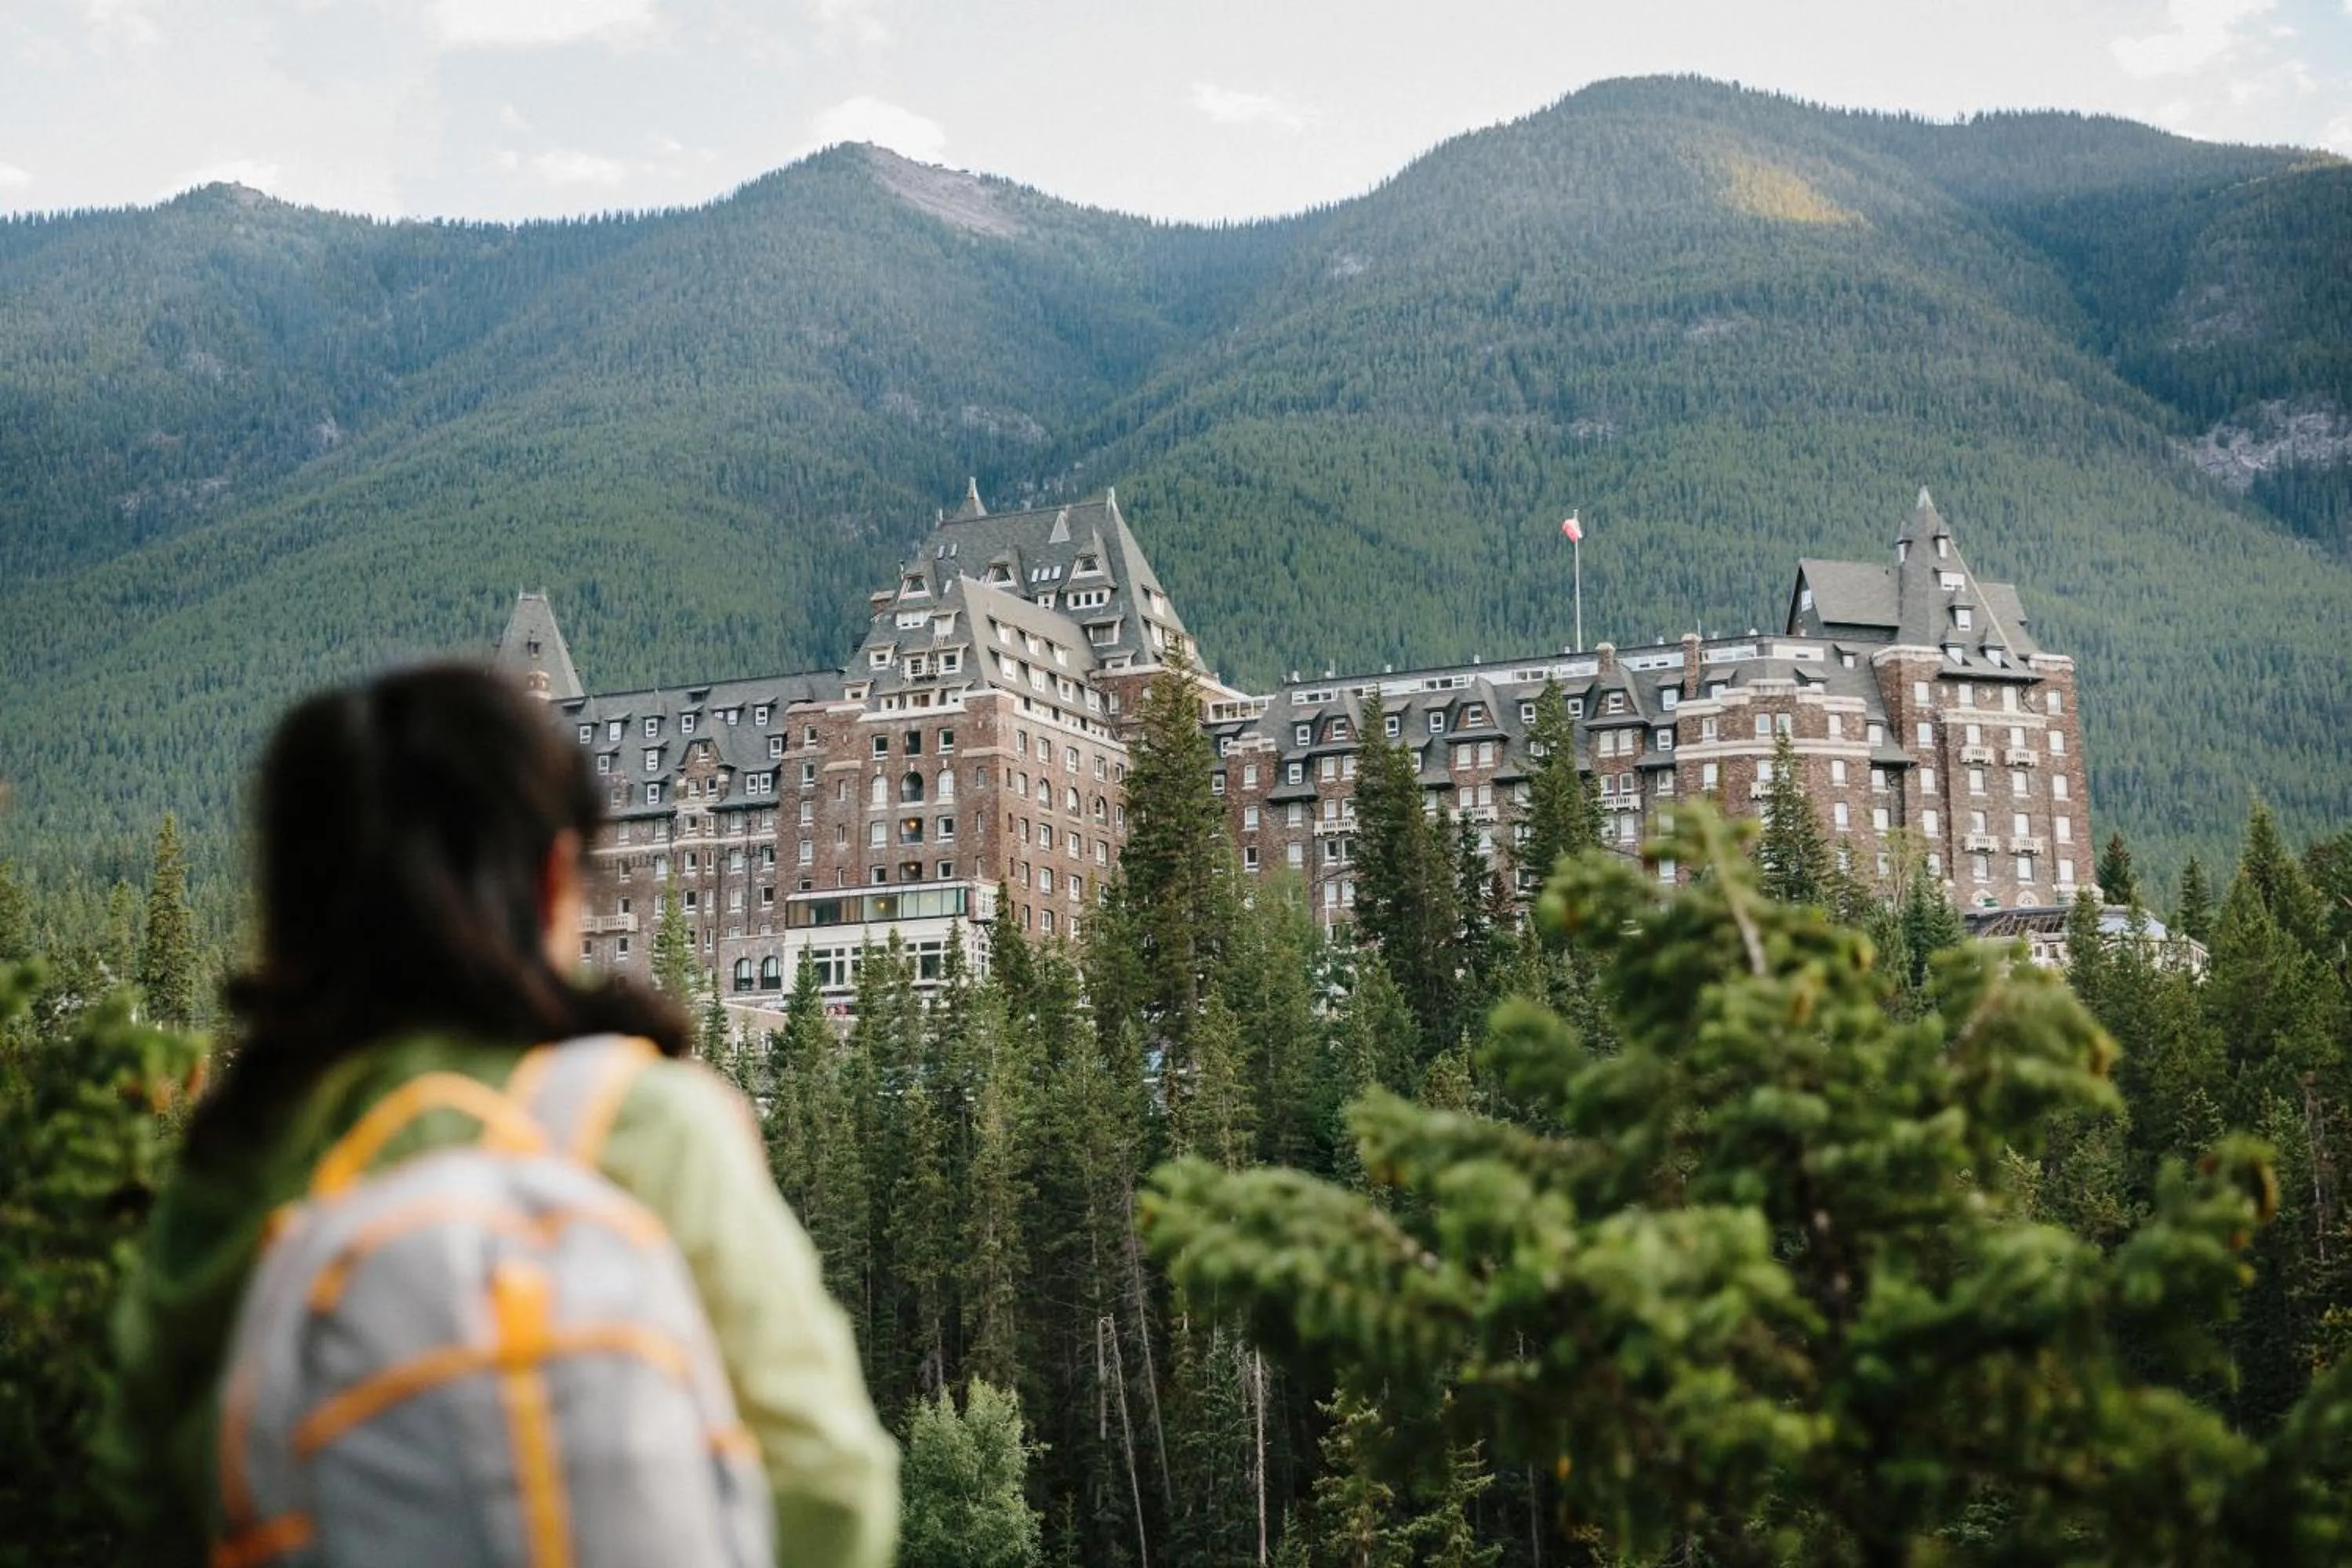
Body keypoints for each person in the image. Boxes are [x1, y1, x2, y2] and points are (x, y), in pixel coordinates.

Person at [98, 663, 898, 1567]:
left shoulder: (244, 1149)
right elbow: (831, 1484)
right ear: (554, 878)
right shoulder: (646, 1119)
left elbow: (146, 1482)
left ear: (293, 906)